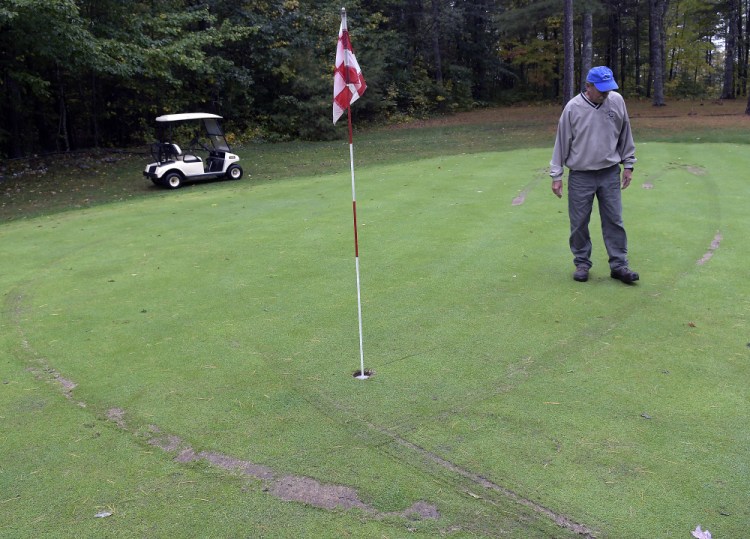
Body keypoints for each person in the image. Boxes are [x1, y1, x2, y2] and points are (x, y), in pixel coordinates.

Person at [550, 66, 639, 284]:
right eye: (601, 90)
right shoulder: (573, 108)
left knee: (614, 220)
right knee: (579, 222)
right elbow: (561, 142)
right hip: (581, 175)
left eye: (608, 89)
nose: (605, 94)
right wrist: (556, 174)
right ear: (588, 86)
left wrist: (628, 164)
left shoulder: (616, 101)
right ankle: (582, 263)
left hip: (609, 173)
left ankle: (619, 265)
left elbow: (625, 133)